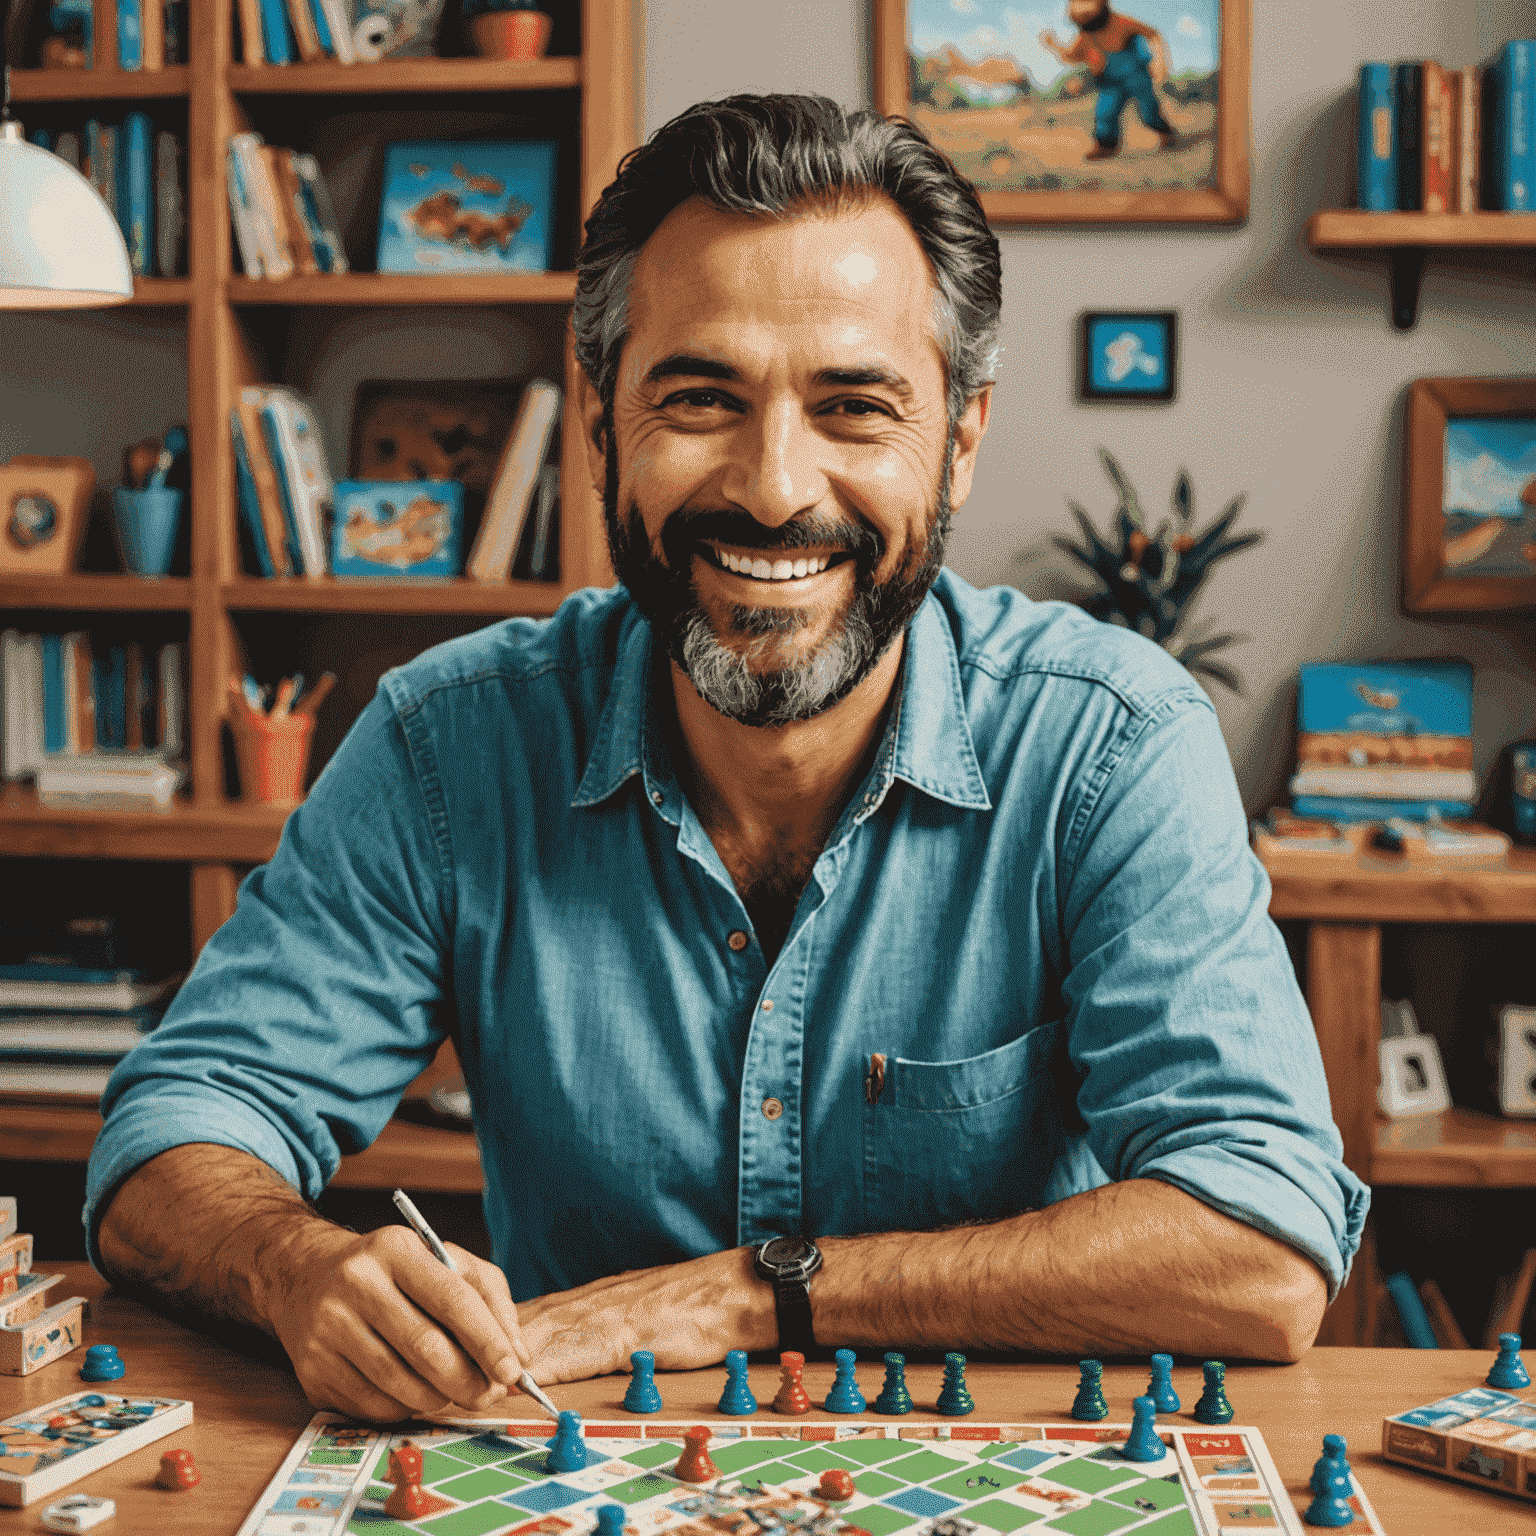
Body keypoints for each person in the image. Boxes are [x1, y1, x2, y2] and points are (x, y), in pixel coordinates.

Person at [85, 94, 1367, 1423]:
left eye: (854, 407)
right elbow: (169, 1134)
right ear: (603, 429)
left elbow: (1263, 1243)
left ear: (961, 442)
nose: (773, 487)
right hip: (565, 1476)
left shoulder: (1111, 742)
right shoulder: (444, 745)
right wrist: (294, 1266)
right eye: (700, 398)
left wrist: (745, 1297)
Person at [1040, 0, 1178, 160]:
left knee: (1149, 112)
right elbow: (1073, 57)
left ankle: (1166, 134)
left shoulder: (1120, 22)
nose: (1080, 8)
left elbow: (1153, 34)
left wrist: (1160, 62)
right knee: (1105, 113)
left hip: (1135, 75)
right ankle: (1106, 146)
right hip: (1109, 82)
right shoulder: (1085, 35)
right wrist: (1056, 46)